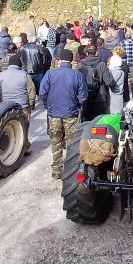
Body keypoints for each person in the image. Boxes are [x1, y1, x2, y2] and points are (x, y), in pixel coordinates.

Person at [39, 49, 87, 179]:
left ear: (60, 60)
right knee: (72, 144)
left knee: (56, 142)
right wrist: (77, 105)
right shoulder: (77, 75)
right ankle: (71, 171)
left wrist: (48, 103)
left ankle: (56, 170)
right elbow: (83, 97)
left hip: (54, 114)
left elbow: (42, 93)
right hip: (71, 114)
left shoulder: (50, 73)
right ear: (71, 60)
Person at [0, 55, 36, 129]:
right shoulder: (24, 75)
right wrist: (31, 103)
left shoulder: (1, 75)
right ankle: (24, 140)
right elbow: (31, 90)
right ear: (19, 64)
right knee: (24, 127)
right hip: (23, 106)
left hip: (6, 107)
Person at [77, 45, 115, 120]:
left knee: (86, 122)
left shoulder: (80, 65)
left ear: (86, 53)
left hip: (85, 96)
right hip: (100, 97)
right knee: (99, 122)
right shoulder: (102, 65)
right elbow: (109, 82)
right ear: (97, 53)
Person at [107, 49, 127, 114]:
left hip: (114, 96)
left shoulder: (115, 71)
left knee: (115, 114)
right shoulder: (120, 70)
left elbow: (110, 82)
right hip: (118, 95)